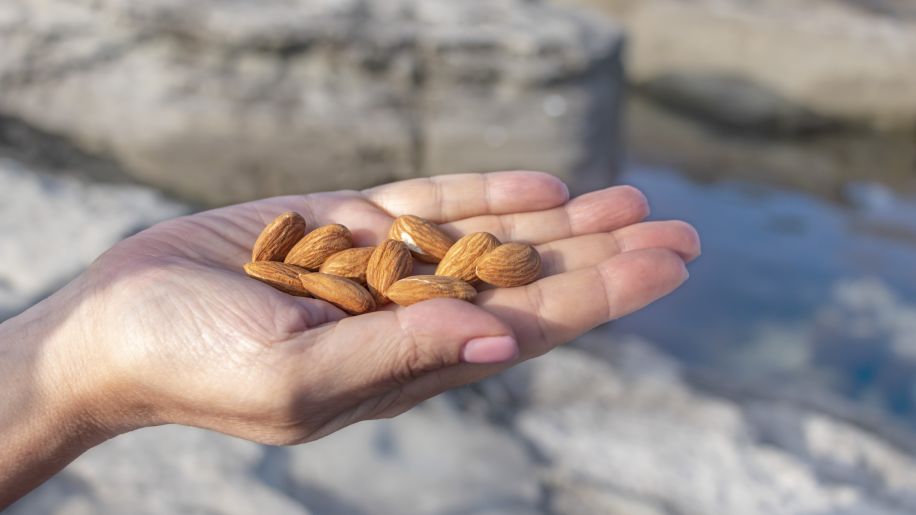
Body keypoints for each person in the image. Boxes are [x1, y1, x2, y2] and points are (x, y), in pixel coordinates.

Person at [0, 171, 700, 507]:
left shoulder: (416, 260)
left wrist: (74, 367)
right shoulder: (347, 263)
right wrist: (86, 362)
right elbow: (378, 274)